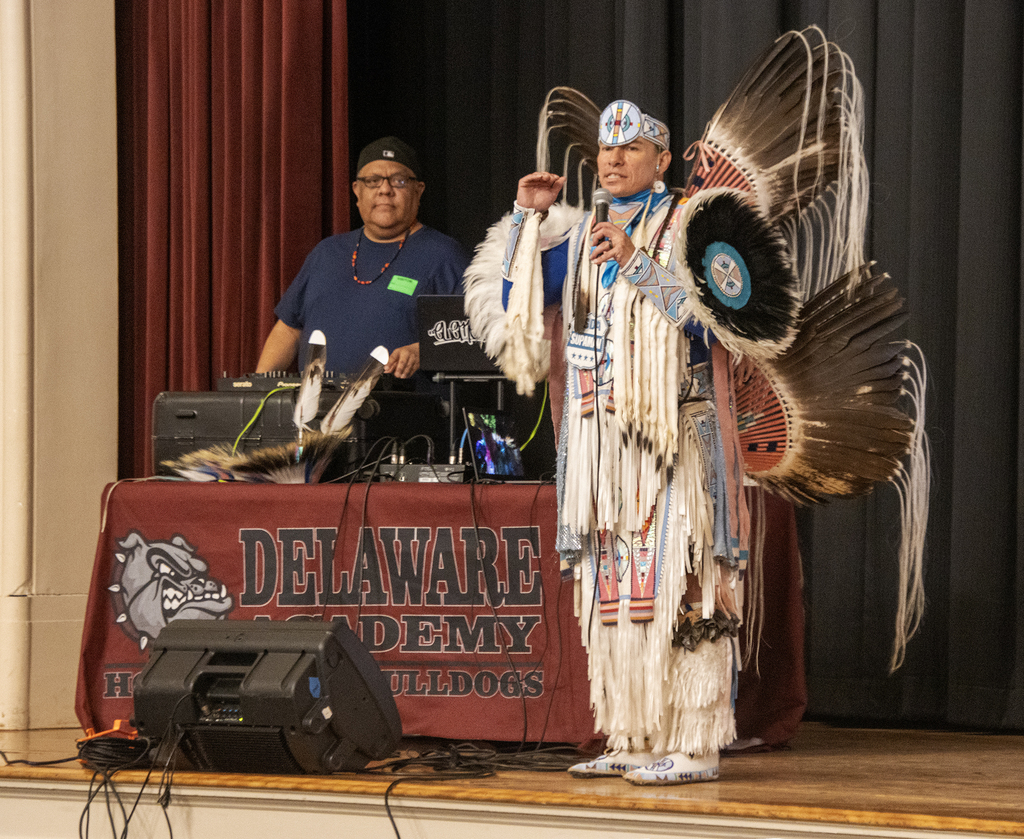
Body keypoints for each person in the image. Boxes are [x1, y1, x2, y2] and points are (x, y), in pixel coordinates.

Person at [487, 101, 748, 786]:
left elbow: (720, 320)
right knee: (617, 589)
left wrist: (637, 263)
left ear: (661, 160)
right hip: (601, 446)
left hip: (673, 435)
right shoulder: (579, 237)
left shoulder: (693, 221)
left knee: (687, 577)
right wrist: (527, 219)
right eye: (606, 149)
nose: (613, 158)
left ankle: (695, 742)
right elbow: (516, 308)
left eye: (631, 148)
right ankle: (633, 732)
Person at [256, 136, 468, 381]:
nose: (385, 189)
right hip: (316, 412)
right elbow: (289, 330)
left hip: (404, 412)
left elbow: (472, 338)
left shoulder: (443, 255)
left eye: (399, 181)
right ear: (357, 191)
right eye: (373, 181)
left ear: (418, 190)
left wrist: (423, 351)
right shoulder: (326, 253)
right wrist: (258, 397)